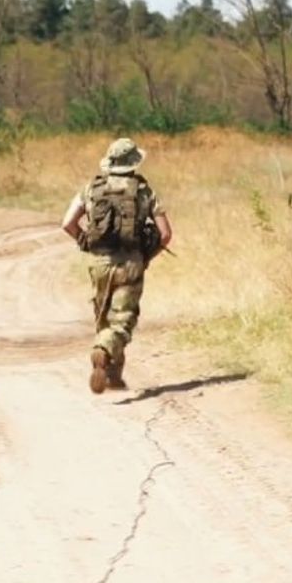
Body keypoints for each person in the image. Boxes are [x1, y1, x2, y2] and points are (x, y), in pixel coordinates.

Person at [61, 137, 173, 393]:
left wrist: (85, 242)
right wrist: (146, 257)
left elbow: (67, 223)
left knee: (103, 317)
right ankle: (102, 351)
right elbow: (166, 234)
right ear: (133, 162)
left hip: (99, 262)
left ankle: (113, 376)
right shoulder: (144, 191)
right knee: (122, 320)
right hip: (131, 263)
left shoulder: (92, 188)